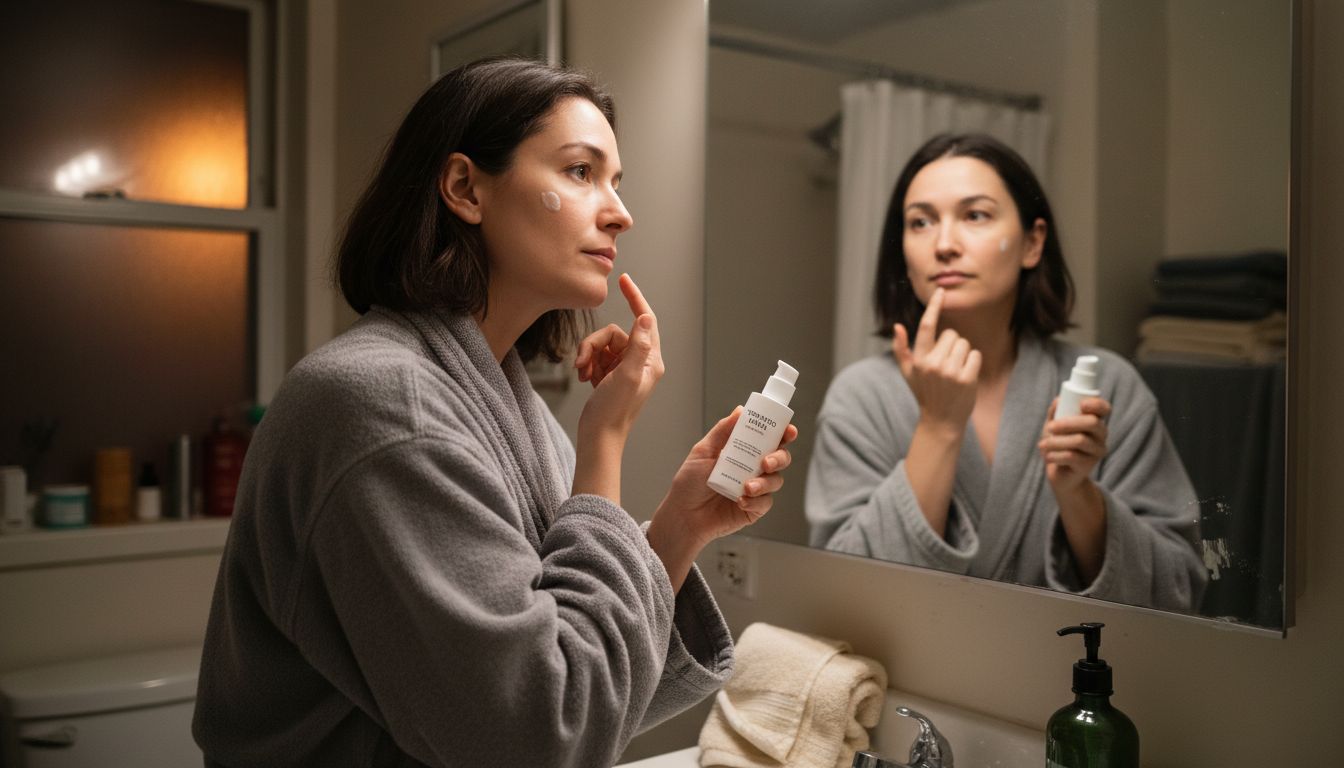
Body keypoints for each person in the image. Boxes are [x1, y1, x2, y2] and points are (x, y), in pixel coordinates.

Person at [192, 57, 797, 767]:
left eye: (616, 182)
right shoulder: (383, 405)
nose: (620, 212)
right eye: (579, 171)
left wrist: (680, 525)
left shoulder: (509, 406)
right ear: (464, 188)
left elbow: (592, 690)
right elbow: (539, 734)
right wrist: (604, 440)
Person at [805, 133, 1205, 612]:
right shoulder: (861, 396)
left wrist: (1079, 495)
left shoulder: (1109, 385)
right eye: (920, 222)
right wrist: (938, 427)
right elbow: (846, 599)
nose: (945, 244)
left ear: (1033, 244)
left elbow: (1178, 593)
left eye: (975, 215)